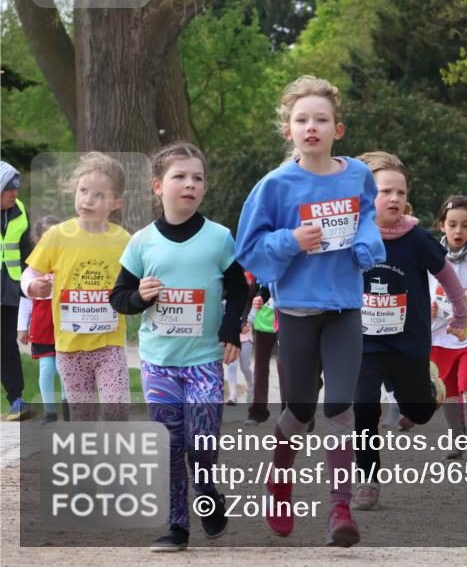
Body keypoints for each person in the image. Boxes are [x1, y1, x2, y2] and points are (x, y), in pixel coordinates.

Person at [236, 75, 384, 547]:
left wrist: (367, 243)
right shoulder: (275, 186)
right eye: (302, 120)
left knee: (342, 408)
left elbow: (366, 218)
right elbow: (249, 250)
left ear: (337, 129)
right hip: (297, 312)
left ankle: (339, 509)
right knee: (299, 412)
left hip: (344, 309)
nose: (311, 127)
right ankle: (280, 476)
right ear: (289, 130)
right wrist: (290, 241)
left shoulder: (357, 173)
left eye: (321, 119)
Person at [110, 142, 247, 551]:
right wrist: (141, 298)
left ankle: (207, 493)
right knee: (169, 443)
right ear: (158, 186)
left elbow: (240, 289)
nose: (190, 184)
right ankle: (176, 526)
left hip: (204, 361)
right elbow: (119, 296)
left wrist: (229, 331)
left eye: (197, 178)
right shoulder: (142, 242)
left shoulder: (219, 238)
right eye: (179, 177)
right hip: (159, 364)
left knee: (201, 443)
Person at [352, 152, 467, 509]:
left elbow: (446, 274)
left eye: (401, 193)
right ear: (367, 195)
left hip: (409, 343)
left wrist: (461, 315)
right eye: (386, 191)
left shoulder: (416, 239)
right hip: (364, 342)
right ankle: (367, 481)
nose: (394, 199)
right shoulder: (353, 235)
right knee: (364, 408)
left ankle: (429, 388)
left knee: (417, 412)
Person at [22, 153, 131, 421]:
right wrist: (32, 286)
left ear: (116, 203)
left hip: (110, 344)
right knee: (82, 416)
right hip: (70, 347)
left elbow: (137, 279)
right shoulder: (57, 235)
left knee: (117, 406)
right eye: (83, 191)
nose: (87, 200)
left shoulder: (124, 240)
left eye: (98, 195)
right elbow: (31, 272)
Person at [429, 195, 467, 455]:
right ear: (442, 225)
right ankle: (457, 439)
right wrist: (426, 308)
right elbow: (419, 289)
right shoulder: (430, 255)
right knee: (447, 389)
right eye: (452, 224)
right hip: (440, 335)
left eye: (465, 225)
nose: (458, 231)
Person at [16, 215, 62, 422]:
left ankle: (70, 410)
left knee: (66, 368)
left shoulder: (67, 263)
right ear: (37, 241)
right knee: (47, 368)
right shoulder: (33, 269)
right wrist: (22, 328)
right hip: (43, 324)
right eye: (48, 238)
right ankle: (50, 411)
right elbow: (26, 300)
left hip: (66, 324)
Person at [1, 161, 31, 420]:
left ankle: (17, 399)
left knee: (6, 344)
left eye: (16, 190)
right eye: (9, 190)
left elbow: (28, 252)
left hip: (10, 288)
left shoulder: (20, 211)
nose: (15, 194)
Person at [242, 276, 283, 426]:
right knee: (260, 369)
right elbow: (251, 296)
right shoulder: (262, 272)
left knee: (284, 369)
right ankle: (258, 412)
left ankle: (289, 413)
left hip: (286, 323)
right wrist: (245, 319)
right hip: (262, 325)